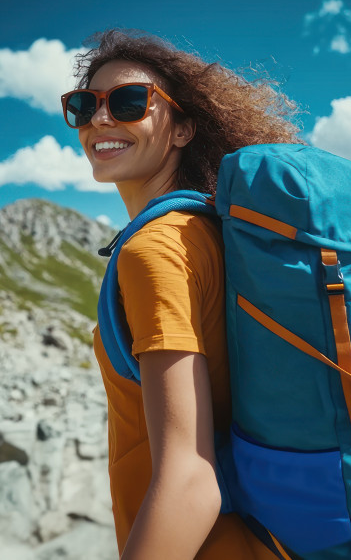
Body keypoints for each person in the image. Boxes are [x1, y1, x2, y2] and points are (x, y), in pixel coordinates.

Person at [63, 29, 299, 559]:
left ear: (184, 129)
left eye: (128, 102)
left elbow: (191, 478)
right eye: (83, 106)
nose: (100, 120)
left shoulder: (156, 250)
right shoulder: (208, 230)